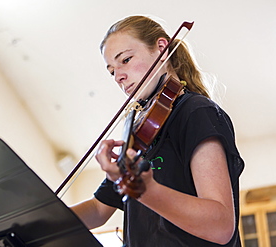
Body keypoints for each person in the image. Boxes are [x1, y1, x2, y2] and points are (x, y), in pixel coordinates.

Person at [71, 15, 244, 247]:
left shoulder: (196, 112)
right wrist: (38, 220)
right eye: (112, 71)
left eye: (126, 59)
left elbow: (221, 226)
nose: (119, 76)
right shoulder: (139, 132)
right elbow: (98, 209)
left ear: (162, 48)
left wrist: (146, 190)